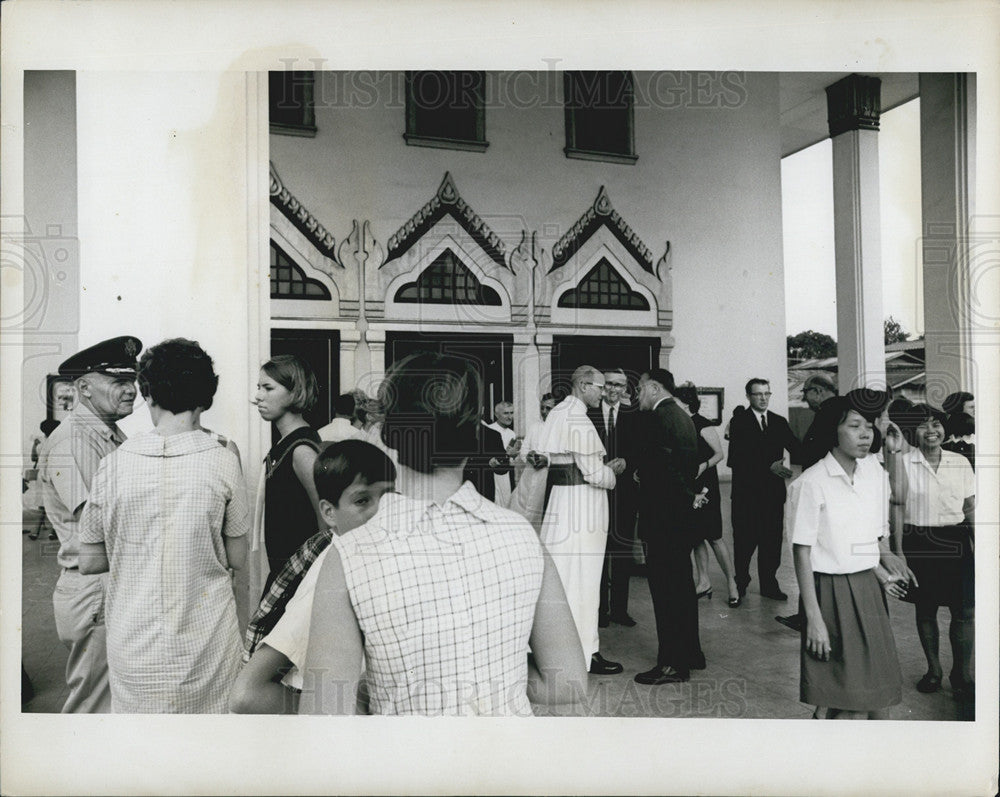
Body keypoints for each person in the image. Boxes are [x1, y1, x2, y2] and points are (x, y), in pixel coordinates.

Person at [301, 352, 586, 715]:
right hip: (514, 763)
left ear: (391, 434)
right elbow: (568, 682)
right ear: (473, 434)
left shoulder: (350, 552)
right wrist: (493, 675)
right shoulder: (523, 537)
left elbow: (326, 716)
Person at [78, 338, 249, 713]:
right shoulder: (223, 462)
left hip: (134, 643)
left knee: (145, 755)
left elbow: (89, 560)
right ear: (207, 396)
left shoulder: (114, 465)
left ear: (147, 393)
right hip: (207, 644)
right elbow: (237, 557)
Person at [230, 439, 396, 714]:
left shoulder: (363, 558)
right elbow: (247, 694)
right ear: (329, 513)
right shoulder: (333, 573)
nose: (380, 512)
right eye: (362, 500)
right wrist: (338, 710)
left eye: (389, 497)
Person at [37, 334, 142, 712]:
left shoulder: (106, 433)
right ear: (84, 387)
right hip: (93, 587)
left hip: (106, 582)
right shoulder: (74, 440)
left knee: (111, 700)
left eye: (132, 380)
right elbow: (96, 527)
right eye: (118, 381)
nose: (131, 390)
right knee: (93, 705)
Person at [788, 391, 905, 719]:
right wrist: (814, 620)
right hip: (830, 595)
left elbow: (867, 533)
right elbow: (802, 553)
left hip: (868, 591)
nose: (866, 433)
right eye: (855, 426)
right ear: (832, 431)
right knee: (850, 705)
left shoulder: (869, 472)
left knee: (876, 701)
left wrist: (882, 573)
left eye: (869, 425)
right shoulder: (811, 483)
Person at [538, 366, 625, 675]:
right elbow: (593, 474)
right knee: (585, 579)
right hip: (584, 507)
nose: (603, 393)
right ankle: (586, 653)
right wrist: (613, 473)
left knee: (561, 575)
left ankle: (551, 648)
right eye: (599, 387)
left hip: (562, 503)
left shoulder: (557, 413)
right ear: (585, 386)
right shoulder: (579, 419)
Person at [894, 403, 976, 701]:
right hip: (920, 542)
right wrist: (898, 554)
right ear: (912, 432)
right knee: (926, 609)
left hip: (956, 540)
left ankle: (962, 674)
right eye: (923, 425)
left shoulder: (960, 461)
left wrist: (981, 547)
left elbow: (969, 508)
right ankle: (934, 670)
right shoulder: (902, 463)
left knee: (965, 610)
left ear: (945, 428)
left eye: (937, 424)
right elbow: (897, 511)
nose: (932, 430)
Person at [633, 368, 703, 685]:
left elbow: (662, 472)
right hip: (680, 519)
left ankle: (672, 664)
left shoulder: (659, 419)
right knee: (682, 589)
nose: (637, 395)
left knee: (666, 594)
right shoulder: (682, 416)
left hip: (663, 519)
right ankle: (690, 653)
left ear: (654, 388)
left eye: (639, 389)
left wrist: (640, 476)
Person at [253, 354, 323, 593]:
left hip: (299, 578)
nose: (258, 396)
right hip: (284, 573)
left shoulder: (302, 449)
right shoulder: (285, 444)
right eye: (259, 387)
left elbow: (326, 522)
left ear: (294, 393)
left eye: (268, 388)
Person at [727, 378, 800, 601]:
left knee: (771, 541)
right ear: (748, 396)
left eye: (767, 393)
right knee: (744, 541)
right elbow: (735, 460)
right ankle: (740, 583)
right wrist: (768, 467)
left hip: (772, 494)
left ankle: (769, 584)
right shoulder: (739, 422)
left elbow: (797, 448)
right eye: (758, 394)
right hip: (746, 495)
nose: (763, 398)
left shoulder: (778, 421)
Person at [777, 373, 838, 631]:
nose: (805, 400)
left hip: (824, 491)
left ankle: (809, 616)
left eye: (806, 394)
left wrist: (786, 439)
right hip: (831, 489)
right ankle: (808, 613)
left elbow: (810, 453)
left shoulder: (828, 413)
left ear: (818, 391)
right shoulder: (837, 411)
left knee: (812, 552)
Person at [674, 383, 740, 608]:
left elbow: (719, 454)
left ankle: (732, 584)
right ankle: (703, 582)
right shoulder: (677, 424)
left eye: (676, 403)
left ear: (686, 403)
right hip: (689, 486)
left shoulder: (703, 425)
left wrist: (703, 466)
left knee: (714, 536)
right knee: (695, 537)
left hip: (706, 486)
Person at [587, 368, 639, 627]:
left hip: (625, 495)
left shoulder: (634, 415)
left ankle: (620, 609)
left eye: (618, 385)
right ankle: (599, 611)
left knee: (621, 553)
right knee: (598, 552)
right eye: (608, 384)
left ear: (625, 388)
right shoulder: (588, 414)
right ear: (601, 386)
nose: (613, 389)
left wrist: (628, 460)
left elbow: (644, 449)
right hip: (594, 493)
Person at [507, 393, 557, 532]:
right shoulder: (534, 426)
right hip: (528, 477)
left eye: (548, 408)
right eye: (542, 408)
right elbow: (524, 449)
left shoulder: (560, 429)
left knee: (540, 517)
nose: (544, 412)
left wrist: (546, 459)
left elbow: (564, 455)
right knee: (519, 512)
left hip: (546, 478)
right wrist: (528, 455)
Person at [27, 419, 61, 540]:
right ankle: (54, 531)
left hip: (41, 475)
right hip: (55, 474)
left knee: (42, 506)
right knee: (57, 505)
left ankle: (35, 532)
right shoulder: (58, 441)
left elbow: (33, 458)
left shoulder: (39, 442)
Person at [486, 400, 518, 504]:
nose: (510, 417)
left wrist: (514, 456)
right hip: (492, 474)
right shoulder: (489, 430)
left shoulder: (512, 434)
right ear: (496, 414)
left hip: (506, 474)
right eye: (506, 413)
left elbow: (512, 459)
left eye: (511, 413)